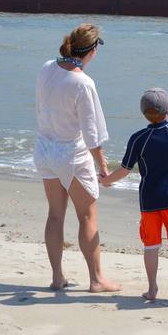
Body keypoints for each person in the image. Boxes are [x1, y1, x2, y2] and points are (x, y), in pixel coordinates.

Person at [32, 23, 121, 293]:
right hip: (71, 154)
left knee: (55, 215)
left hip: (45, 149)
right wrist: (103, 166)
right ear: (92, 51)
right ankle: (96, 279)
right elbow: (92, 133)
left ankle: (57, 277)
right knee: (87, 216)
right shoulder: (83, 82)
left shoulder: (47, 67)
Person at [101, 88, 168, 302]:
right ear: (167, 111)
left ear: (144, 112)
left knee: (151, 246)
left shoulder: (138, 138)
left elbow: (125, 169)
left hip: (149, 202)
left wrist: (106, 180)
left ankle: (152, 288)